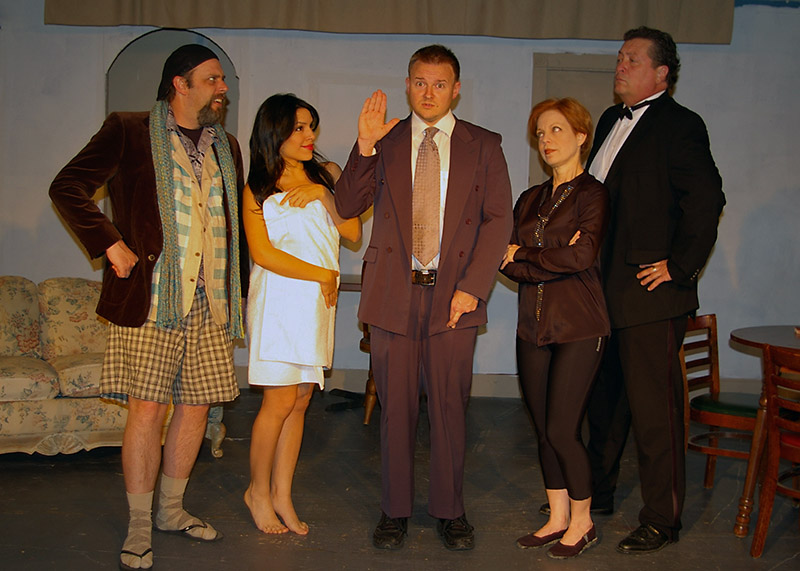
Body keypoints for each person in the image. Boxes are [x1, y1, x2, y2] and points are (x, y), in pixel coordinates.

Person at [49, 45, 247, 571]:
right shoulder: (129, 129)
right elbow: (67, 186)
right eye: (212, 79)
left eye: (222, 80)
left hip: (211, 299)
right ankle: (139, 523)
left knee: (196, 407)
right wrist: (109, 242)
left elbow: (230, 226)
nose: (222, 88)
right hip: (153, 298)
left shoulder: (226, 145)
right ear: (180, 83)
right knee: (148, 409)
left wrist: (240, 289)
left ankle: (171, 510)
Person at [334, 44, 513, 551]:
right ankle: (394, 510)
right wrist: (364, 145)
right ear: (407, 85)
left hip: (454, 295)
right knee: (395, 410)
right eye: (419, 82)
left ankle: (450, 511)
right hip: (393, 292)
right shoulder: (386, 142)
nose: (428, 93)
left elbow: (498, 219)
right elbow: (347, 204)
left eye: (439, 84)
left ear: (456, 90)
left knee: (450, 407)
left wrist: (473, 287)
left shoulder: (484, 144)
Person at [583, 26, 725, 554]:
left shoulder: (681, 125)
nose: (620, 66)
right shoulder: (608, 120)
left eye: (632, 60)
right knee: (604, 404)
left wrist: (679, 267)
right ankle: (597, 495)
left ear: (662, 73)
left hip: (650, 295)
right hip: (603, 292)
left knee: (655, 414)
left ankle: (662, 519)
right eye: (619, 58)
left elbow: (707, 200)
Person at [242, 94, 361, 535]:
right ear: (275, 132)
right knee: (278, 401)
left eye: (311, 126)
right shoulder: (257, 186)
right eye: (299, 128)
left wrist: (323, 194)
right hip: (278, 301)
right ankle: (257, 492)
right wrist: (322, 274)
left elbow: (352, 231)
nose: (310, 135)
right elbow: (263, 254)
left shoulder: (327, 173)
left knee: (301, 400)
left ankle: (282, 494)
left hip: (315, 303)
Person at [500, 98, 609, 559]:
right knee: (544, 431)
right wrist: (547, 258)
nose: (546, 140)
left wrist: (526, 254)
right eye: (541, 133)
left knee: (564, 430)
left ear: (581, 136)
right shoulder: (529, 199)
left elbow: (582, 257)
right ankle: (558, 516)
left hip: (580, 326)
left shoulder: (593, 194)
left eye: (557, 130)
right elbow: (504, 262)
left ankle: (583, 522)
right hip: (532, 327)